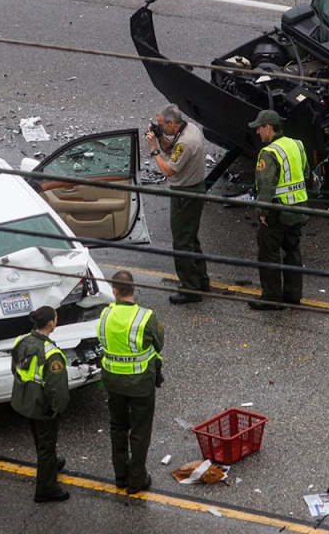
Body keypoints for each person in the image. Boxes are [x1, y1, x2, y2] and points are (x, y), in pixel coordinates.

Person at [98, 270, 165, 494]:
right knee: (140, 430)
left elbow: (101, 340)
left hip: (113, 382)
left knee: (118, 427)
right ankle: (136, 480)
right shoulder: (146, 318)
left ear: (114, 291)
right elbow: (159, 344)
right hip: (140, 384)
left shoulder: (105, 315)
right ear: (133, 289)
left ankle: (120, 476)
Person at [144, 104, 211, 304]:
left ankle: (191, 289)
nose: (159, 127)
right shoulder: (190, 130)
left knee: (182, 242)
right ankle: (201, 280)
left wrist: (154, 149)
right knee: (190, 238)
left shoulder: (186, 143)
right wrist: (160, 136)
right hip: (195, 189)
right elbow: (172, 149)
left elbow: (167, 171)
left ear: (172, 122)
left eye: (161, 125)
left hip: (185, 194)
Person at [246, 110, 311, 311]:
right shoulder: (297, 145)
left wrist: (262, 212)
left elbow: (266, 185)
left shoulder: (269, 152)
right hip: (298, 208)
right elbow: (307, 175)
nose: (257, 132)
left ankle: (272, 298)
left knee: (268, 252)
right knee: (292, 250)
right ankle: (293, 296)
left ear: (268, 128)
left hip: (278, 211)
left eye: (259, 128)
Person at [9, 306, 71, 503]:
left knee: (39, 438)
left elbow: (15, 368)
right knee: (46, 446)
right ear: (51, 323)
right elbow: (57, 389)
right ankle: (46, 489)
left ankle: (50, 464)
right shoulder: (51, 354)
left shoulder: (21, 340)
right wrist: (57, 408)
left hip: (25, 399)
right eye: (56, 318)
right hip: (42, 405)